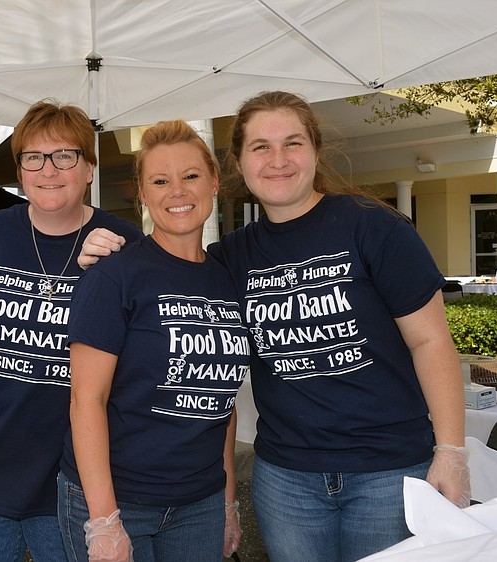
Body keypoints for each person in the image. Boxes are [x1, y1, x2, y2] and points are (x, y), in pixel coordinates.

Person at [78, 91, 471, 562]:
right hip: (287, 478)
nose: (278, 160)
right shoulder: (229, 258)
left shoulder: (374, 227)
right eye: (261, 147)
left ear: (315, 151)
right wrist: (106, 248)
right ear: (240, 165)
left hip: (386, 471)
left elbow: (431, 340)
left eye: (293, 143)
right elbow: (168, 264)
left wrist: (451, 451)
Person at [0, 99, 141, 562]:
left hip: (76, 482)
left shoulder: (125, 246)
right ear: (20, 168)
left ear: (90, 167)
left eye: (65, 155)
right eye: (33, 157)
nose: (48, 169)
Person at [57, 120, 249, 562]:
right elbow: (86, 399)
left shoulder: (228, 278)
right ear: (142, 193)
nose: (176, 191)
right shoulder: (115, 275)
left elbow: (219, 396)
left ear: (215, 182)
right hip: (119, 499)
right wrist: (103, 520)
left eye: (191, 176)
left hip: (200, 503)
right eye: (160, 181)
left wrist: (227, 501)